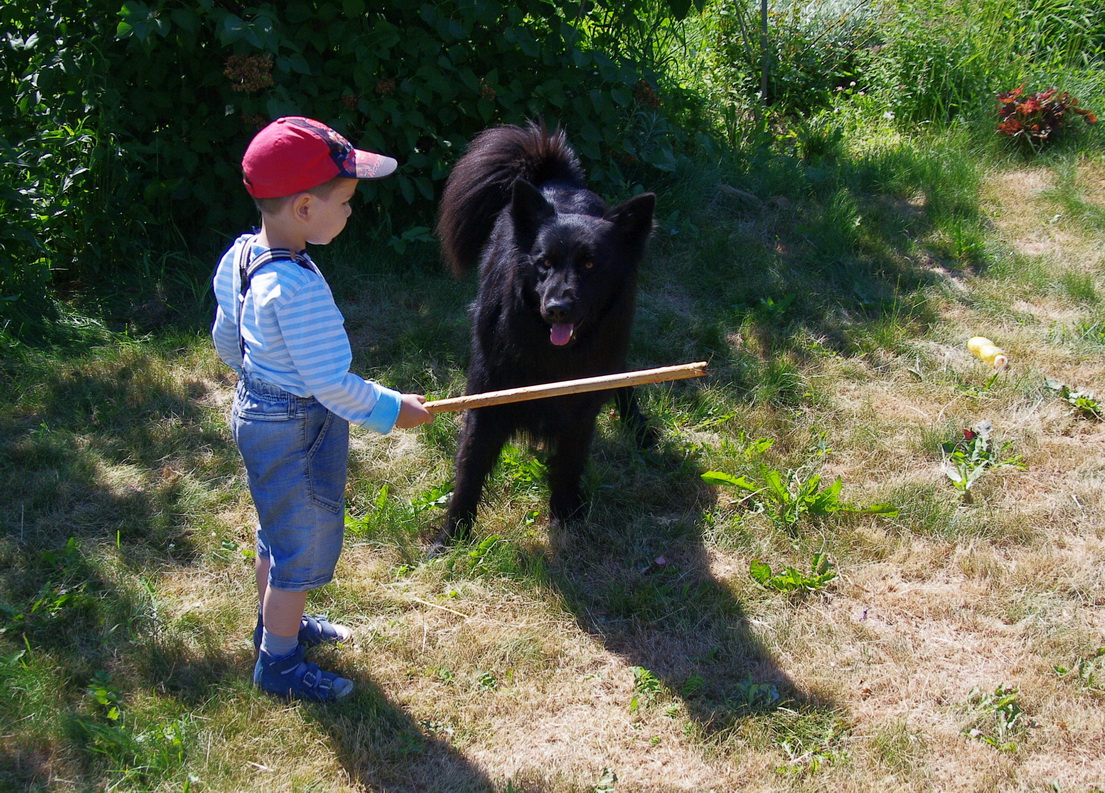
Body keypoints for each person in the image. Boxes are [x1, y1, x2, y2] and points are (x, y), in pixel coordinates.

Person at [211, 116, 433, 702]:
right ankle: (279, 664)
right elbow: (331, 385)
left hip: (256, 410)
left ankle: (274, 626)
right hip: (296, 425)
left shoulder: (241, 257)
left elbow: (225, 339)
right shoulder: (297, 290)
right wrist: (391, 410)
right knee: (302, 545)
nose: (351, 211)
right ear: (305, 208)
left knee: (277, 529)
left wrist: (257, 374)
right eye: (345, 201)